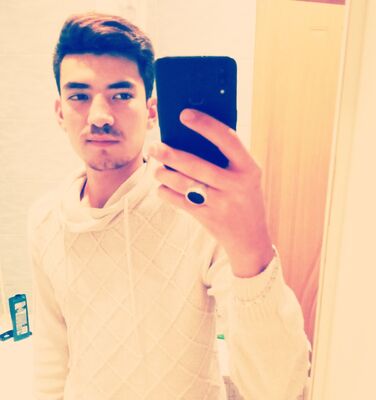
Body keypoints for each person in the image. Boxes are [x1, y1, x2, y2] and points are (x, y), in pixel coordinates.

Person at [28, 12, 310, 400]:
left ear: (151, 112)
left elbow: (279, 388)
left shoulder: (197, 208)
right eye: (79, 96)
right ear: (61, 112)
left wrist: (253, 247)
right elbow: (50, 360)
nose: (100, 116)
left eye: (121, 95)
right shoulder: (45, 221)